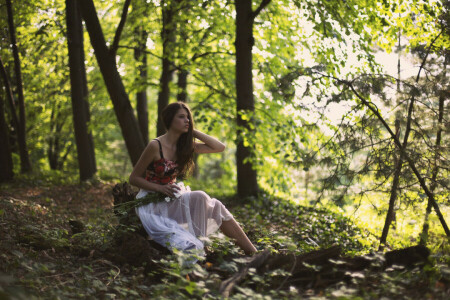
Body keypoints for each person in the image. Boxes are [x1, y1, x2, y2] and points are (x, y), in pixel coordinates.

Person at [129, 102, 257, 257]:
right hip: (152, 203)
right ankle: (200, 246)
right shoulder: (155, 146)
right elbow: (134, 178)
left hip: (171, 199)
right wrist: (160, 188)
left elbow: (219, 147)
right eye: (181, 117)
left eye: (188, 117)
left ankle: (253, 253)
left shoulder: (185, 146)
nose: (187, 120)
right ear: (170, 120)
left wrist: (193, 132)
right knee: (201, 196)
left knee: (216, 206)